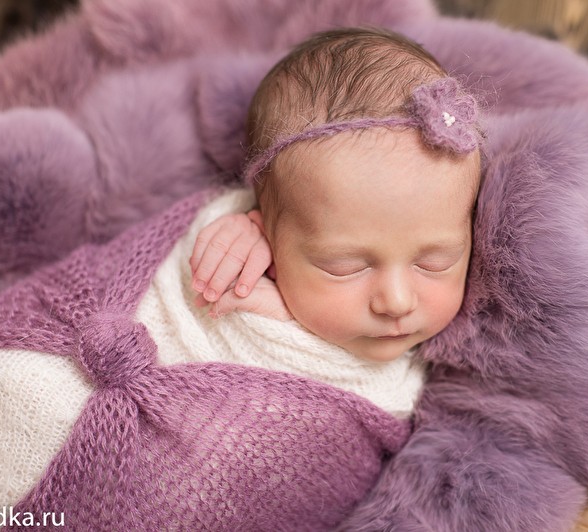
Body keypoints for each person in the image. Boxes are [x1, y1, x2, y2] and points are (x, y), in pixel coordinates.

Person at [188, 26, 482, 368]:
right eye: (345, 268)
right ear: (267, 237)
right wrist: (226, 250)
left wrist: (289, 325)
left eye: (436, 263)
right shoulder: (239, 250)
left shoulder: (464, 355)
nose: (397, 302)